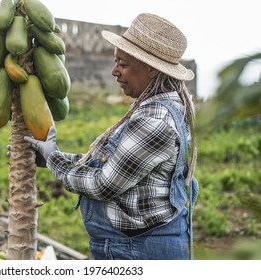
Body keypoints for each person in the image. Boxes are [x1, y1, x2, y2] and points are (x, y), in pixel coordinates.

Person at [24, 13, 199, 260]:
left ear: (151, 69)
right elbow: (114, 165)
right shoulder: (156, 106)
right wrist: (51, 158)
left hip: (139, 251)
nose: (114, 71)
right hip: (136, 245)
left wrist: (54, 158)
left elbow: (103, 184)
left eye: (123, 64)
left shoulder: (155, 119)